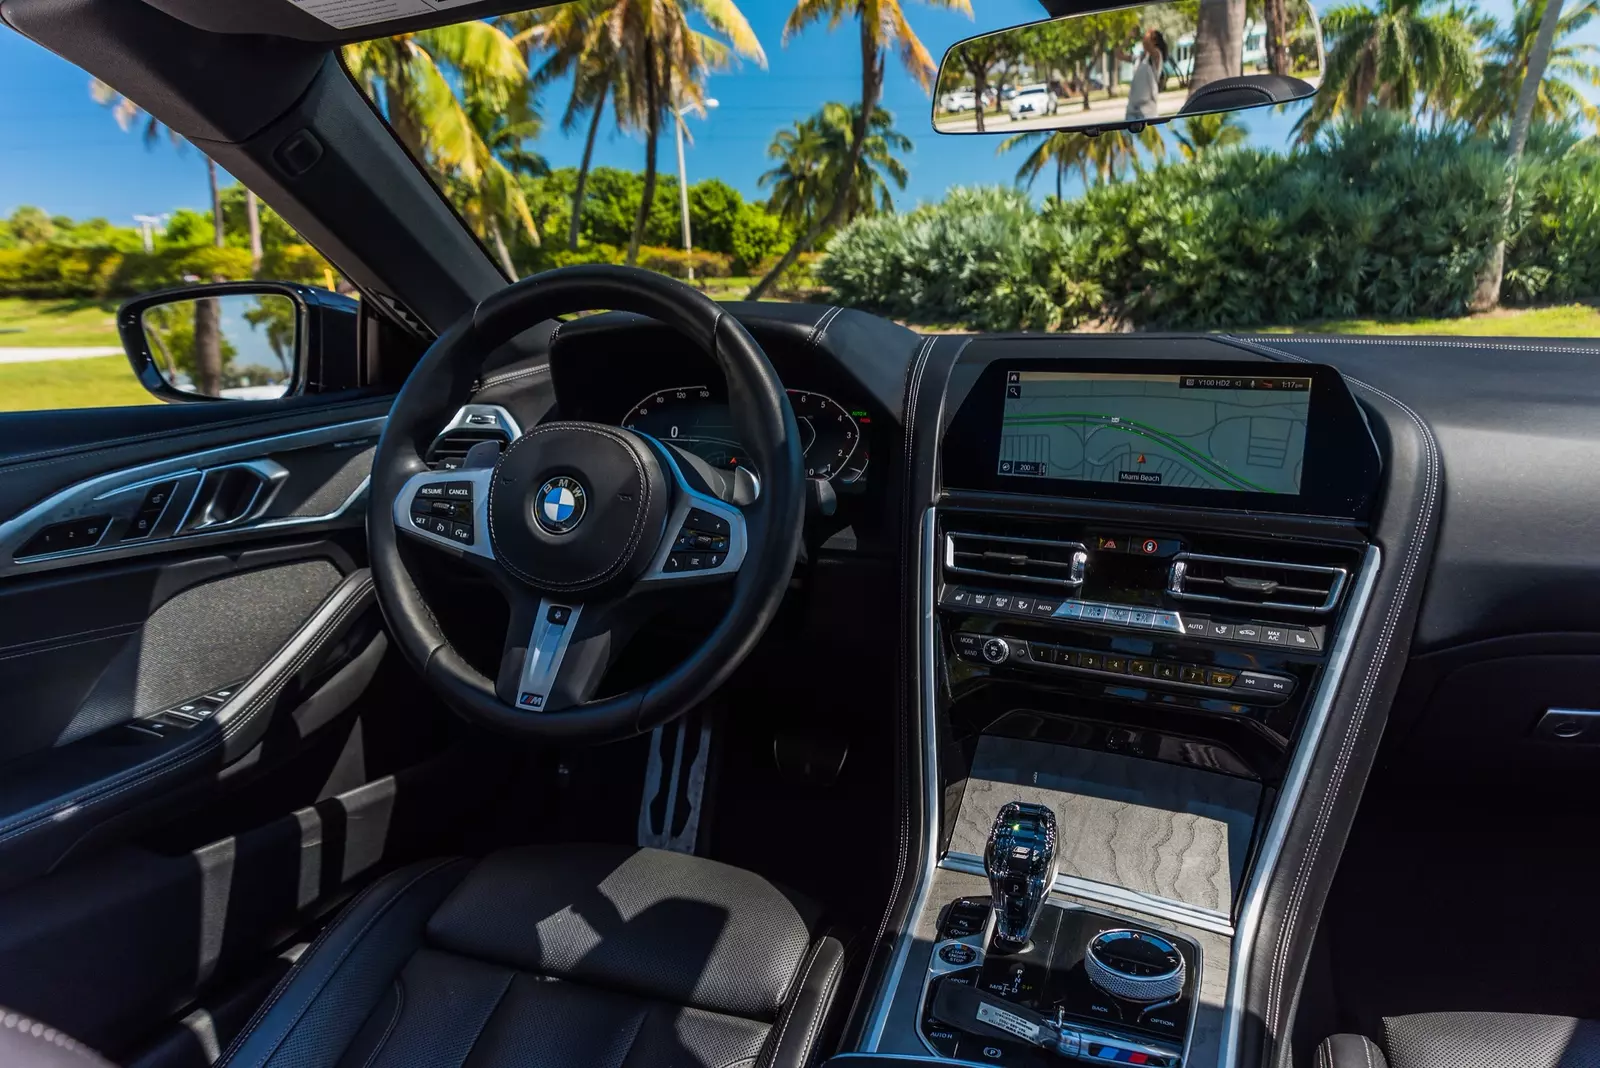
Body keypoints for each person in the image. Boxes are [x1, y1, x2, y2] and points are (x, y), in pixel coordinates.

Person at [1125, 28, 1168, 121]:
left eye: (1149, 36)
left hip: (1147, 111)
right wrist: (1127, 38)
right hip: (1132, 109)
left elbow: (1147, 45)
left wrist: (1144, 34)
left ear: (1155, 41)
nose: (1145, 37)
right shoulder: (1139, 58)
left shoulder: (1156, 55)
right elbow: (1118, 54)